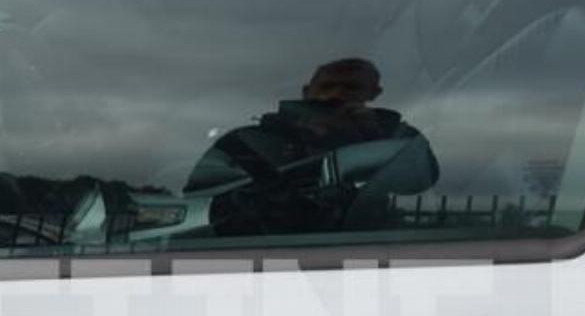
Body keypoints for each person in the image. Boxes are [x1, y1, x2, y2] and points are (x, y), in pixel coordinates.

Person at [186, 58, 439, 236]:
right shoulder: (248, 142)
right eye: (327, 87)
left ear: (374, 93)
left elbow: (423, 179)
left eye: (352, 88)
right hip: (255, 252)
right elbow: (200, 197)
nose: (336, 94)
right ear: (307, 92)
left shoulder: (392, 136)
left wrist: (372, 135)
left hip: (368, 251)